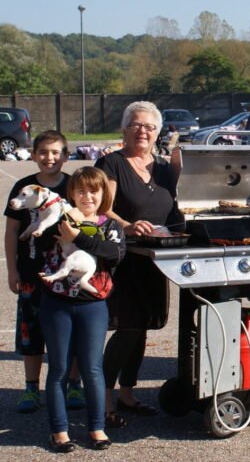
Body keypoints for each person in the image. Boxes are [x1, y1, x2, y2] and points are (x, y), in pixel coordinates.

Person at [95, 101, 183, 428]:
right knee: (128, 327)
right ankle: (103, 398)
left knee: (143, 326)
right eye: (135, 124)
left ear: (158, 132)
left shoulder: (164, 169)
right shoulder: (112, 164)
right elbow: (102, 208)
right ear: (124, 129)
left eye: (149, 126)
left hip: (157, 259)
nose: (142, 131)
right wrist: (127, 226)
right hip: (124, 258)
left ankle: (127, 394)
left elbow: (179, 206)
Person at [37, 166, 126, 452]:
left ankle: (97, 428)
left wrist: (78, 237)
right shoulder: (59, 218)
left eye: (94, 191)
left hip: (93, 305)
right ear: (72, 194)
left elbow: (114, 254)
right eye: (81, 191)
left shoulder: (110, 226)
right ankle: (59, 431)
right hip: (57, 304)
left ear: (104, 195)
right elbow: (39, 243)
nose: (87, 196)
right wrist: (62, 224)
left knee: (92, 368)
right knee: (59, 369)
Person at [4, 131, 86, 414]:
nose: (49, 158)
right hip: (32, 272)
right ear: (33, 154)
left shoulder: (73, 186)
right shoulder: (24, 187)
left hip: (68, 272)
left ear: (66, 156)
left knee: (72, 330)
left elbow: (88, 217)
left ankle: (74, 384)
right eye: (43, 152)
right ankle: (31, 388)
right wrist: (12, 269)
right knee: (31, 331)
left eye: (55, 152)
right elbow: (12, 231)